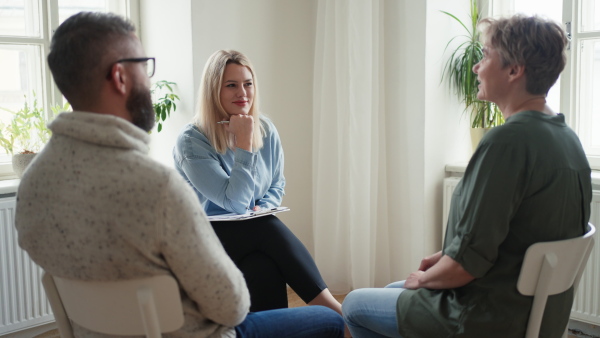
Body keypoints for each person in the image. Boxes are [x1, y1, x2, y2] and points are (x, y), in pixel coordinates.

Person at [15, 12, 344, 338]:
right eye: (144, 65)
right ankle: (340, 315)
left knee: (263, 266)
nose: (149, 77)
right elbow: (230, 306)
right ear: (120, 76)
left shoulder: (33, 183)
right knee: (329, 321)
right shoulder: (158, 187)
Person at [341, 15, 592, 338]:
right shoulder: (566, 138)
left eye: (486, 55)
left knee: (354, 305)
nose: (476, 67)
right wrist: (446, 257)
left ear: (514, 70)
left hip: (485, 318)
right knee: (394, 287)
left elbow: (464, 269)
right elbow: (510, 237)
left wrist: (426, 277)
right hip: (538, 316)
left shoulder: (507, 143)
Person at [173, 50, 345, 316]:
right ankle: (338, 315)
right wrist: (244, 144)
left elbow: (277, 184)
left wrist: (263, 206)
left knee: (263, 266)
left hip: (253, 239)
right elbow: (236, 203)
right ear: (213, 90)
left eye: (248, 84)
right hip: (204, 245)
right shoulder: (192, 141)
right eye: (231, 85)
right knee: (263, 226)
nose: (242, 92)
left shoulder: (264, 128)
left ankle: (274, 329)